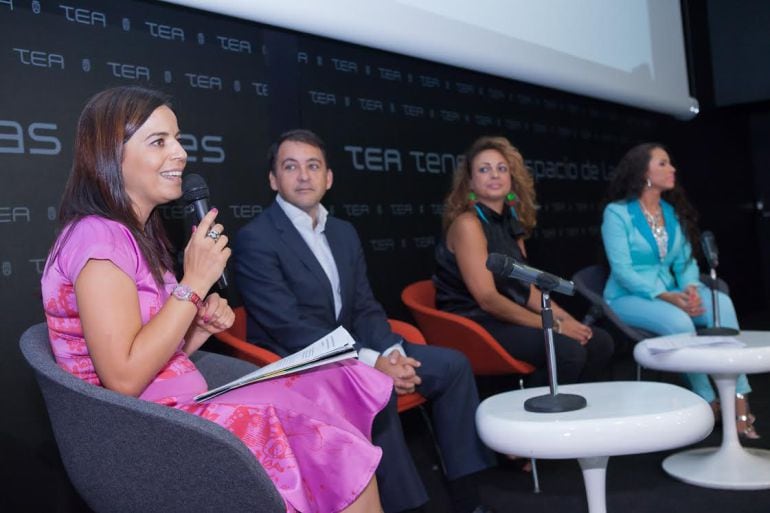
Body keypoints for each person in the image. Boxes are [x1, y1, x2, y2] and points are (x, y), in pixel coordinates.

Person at [41, 86, 391, 513]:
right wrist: (193, 284)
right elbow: (124, 378)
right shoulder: (98, 237)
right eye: (159, 142)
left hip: (172, 413)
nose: (181, 154)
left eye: (177, 138)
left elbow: (150, 355)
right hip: (151, 435)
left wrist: (198, 327)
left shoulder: (133, 234)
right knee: (334, 448)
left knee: (331, 385)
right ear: (110, 154)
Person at [233, 129, 496, 513]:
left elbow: (365, 306)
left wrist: (391, 351)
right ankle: (409, 507)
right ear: (274, 179)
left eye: (313, 166)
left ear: (329, 178)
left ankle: (467, 497)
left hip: (358, 349)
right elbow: (289, 326)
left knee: (453, 366)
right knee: (377, 387)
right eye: (291, 167)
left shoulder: (343, 231)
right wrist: (375, 363)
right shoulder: (256, 238)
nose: (303, 176)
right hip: (299, 360)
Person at [601, 142, 758, 439]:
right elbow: (622, 270)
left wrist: (691, 290)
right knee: (679, 322)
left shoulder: (670, 211)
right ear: (642, 171)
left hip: (672, 293)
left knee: (720, 303)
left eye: (670, 163)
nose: (672, 169)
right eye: (663, 163)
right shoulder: (617, 213)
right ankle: (707, 399)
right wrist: (667, 297)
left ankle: (739, 397)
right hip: (627, 297)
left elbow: (685, 261)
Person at [434, 135, 614, 387]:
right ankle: (529, 416)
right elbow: (487, 299)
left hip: (505, 316)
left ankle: (576, 415)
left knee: (598, 341)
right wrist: (555, 326)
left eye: (501, 168)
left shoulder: (511, 224)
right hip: (476, 324)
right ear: (470, 183)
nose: (494, 175)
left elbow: (526, 289)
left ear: (511, 178)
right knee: (568, 352)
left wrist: (569, 321)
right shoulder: (468, 224)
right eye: (484, 169)